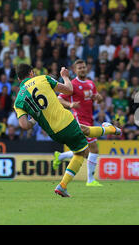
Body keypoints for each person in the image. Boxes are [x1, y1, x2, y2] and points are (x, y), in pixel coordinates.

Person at [13, 64, 121, 197]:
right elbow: (69, 90)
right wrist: (65, 76)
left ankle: (110, 129)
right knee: (82, 152)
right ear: (31, 73)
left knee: (83, 131)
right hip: (66, 121)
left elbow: (24, 125)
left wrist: (35, 119)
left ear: (19, 79)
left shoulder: (18, 101)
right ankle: (62, 186)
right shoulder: (43, 79)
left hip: (54, 133)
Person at [53, 59, 104, 187]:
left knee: (84, 151)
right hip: (79, 119)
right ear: (75, 71)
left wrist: (98, 97)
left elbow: (96, 97)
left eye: (84, 67)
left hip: (89, 119)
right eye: (79, 68)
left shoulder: (90, 83)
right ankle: (90, 180)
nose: (82, 69)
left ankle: (60, 156)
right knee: (94, 148)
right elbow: (59, 99)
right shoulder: (72, 85)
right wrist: (70, 104)